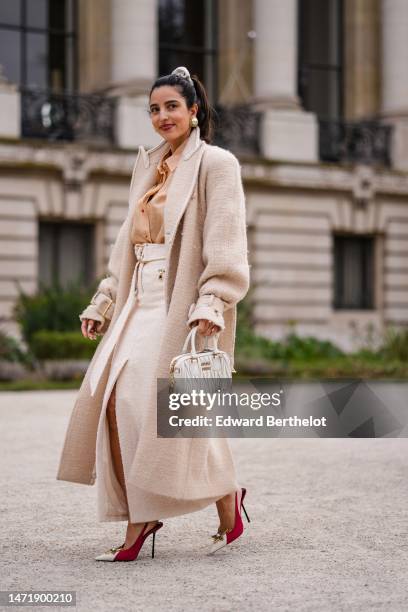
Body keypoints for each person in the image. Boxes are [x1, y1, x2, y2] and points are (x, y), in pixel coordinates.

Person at [56, 66, 250, 561]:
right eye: (155, 109)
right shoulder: (147, 168)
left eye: (171, 107)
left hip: (180, 304)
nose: (162, 116)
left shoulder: (217, 164)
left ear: (194, 111)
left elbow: (226, 243)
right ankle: (204, 505)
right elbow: (129, 244)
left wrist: (212, 302)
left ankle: (163, 518)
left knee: (163, 408)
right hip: (137, 301)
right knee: (121, 402)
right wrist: (103, 301)